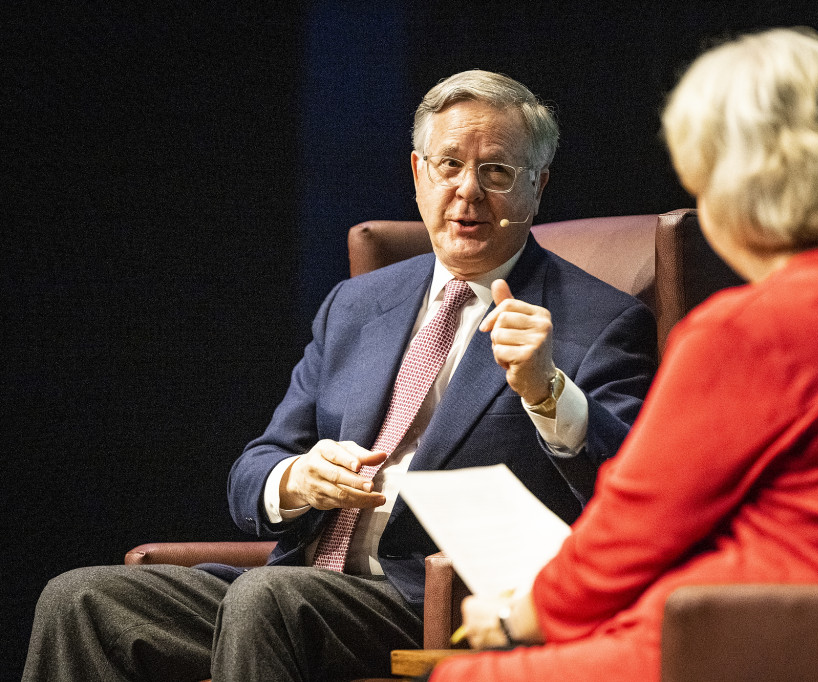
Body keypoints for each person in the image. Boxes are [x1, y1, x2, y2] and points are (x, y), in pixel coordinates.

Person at [22, 70, 658, 681]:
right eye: (449, 165)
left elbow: (633, 500)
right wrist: (296, 479)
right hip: (303, 581)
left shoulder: (599, 320)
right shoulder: (357, 305)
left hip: (436, 605)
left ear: (537, 186)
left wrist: (548, 391)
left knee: (269, 600)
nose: (468, 191)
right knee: (80, 598)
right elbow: (257, 465)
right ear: (417, 174)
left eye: (496, 171)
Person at [430, 28, 818, 682]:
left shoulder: (749, 328)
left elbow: (633, 534)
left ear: (732, 186)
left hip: (777, 637)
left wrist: (517, 616)